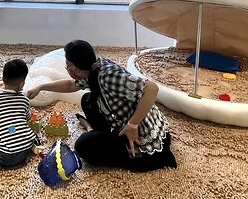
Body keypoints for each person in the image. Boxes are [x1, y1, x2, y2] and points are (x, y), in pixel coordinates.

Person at [27, 40, 176, 172]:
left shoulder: (108, 76)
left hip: (140, 131)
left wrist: (133, 124)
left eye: (69, 66)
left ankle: (97, 133)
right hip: (121, 117)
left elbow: (151, 89)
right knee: (87, 99)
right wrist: (41, 87)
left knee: (83, 146)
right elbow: (71, 85)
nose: (68, 70)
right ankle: (98, 133)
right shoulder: (93, 69)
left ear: (78, 67)